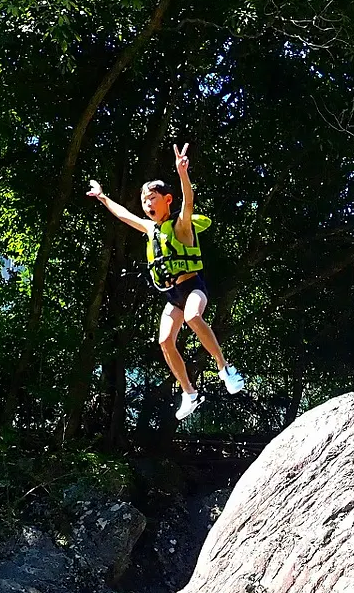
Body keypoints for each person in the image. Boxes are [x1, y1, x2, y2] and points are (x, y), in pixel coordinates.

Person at [87, 143, 245, 420]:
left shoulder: (181, 225)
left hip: (193, 287)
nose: (147, 204)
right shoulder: (151, 229)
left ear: (167, 200)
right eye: (144, 200)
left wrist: (182, 173)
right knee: (164, 341)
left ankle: (225, 368)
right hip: (173, 295)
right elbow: (124, 215)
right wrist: (102, 197)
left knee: (193, 317)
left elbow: (188, 201)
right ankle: (189, 393)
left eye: (152, 198)